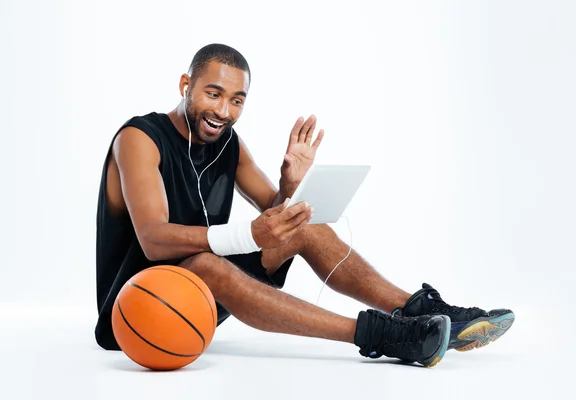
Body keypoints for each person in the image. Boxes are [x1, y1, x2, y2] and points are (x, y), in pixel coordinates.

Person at [94, 43, 514, 368]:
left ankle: (425, 312)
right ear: (186, 85)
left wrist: (289, 185)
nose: (223, 111)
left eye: (237, 100)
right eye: (213, 93)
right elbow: (152, 240)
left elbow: (276, 217)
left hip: (197, 299)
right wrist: (247, 233)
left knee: (304, 226)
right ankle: (381, 335)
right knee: (206, 263)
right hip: (139, 307)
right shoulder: (139, 138)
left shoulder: (228, 144)